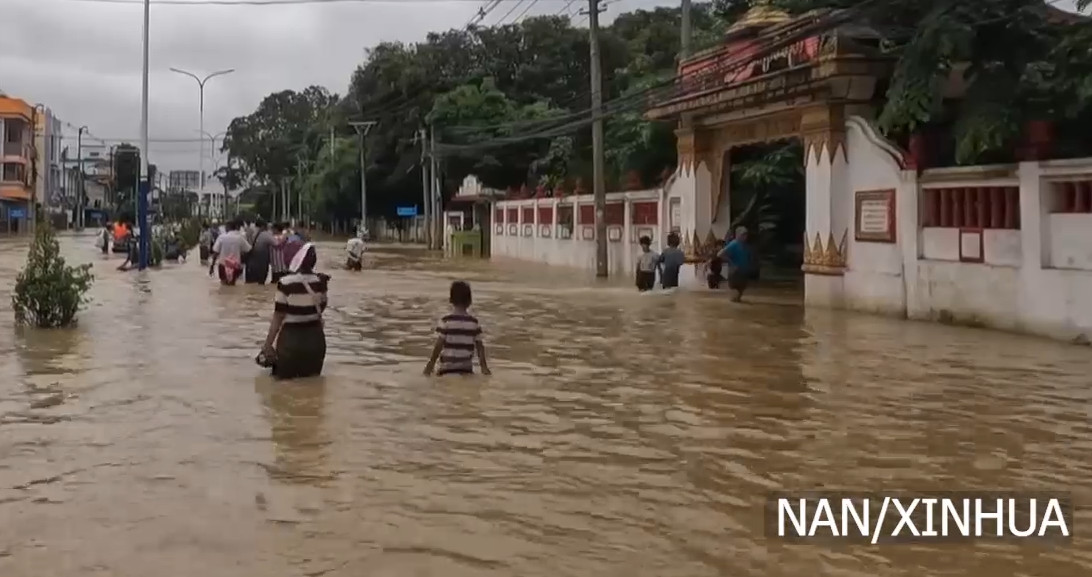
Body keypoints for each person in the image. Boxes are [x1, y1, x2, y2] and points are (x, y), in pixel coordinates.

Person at [258, 242, 329, 380]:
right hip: (316, 341)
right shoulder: (321, 281)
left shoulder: (285, 283)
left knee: (283, 388)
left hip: (291, 342)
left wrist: (267, 345)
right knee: (312, 387)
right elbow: (321, 307)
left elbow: (278, 316)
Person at [424, 281, 491, 376]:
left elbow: (438, 345)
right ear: (470, 301)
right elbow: (480, 348)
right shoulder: (474, 323)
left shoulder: (446, 321)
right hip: (466, 370)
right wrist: (484, 368)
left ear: (451, 300)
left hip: (446, 370)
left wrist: (430, 365)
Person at [209, 219, 251, 286]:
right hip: (235, 266)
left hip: (223, 265)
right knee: (232, 285)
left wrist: (212, 266)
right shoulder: (240, 238)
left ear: (228, 227)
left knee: (224, 286)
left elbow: (215, 253)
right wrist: (243, 262)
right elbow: (248, 250)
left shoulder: (221, 237)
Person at [719, 226, 753, 302]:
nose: (745, 237)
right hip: (735, 272)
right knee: (735, 293)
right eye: (743, 235)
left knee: (739, 294)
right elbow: (720, 254)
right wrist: (732, 263)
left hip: (743, 272)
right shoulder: (734, 244)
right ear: (737, 235)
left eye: (746, 234)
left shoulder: (745, 245)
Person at [246, 218, 274, 285]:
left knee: (250, 283)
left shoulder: (249, 232)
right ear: (263, 226)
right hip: (261, 260)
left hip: (250, 260)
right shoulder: (265, 234)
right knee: (260, 282)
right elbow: (276, 243)